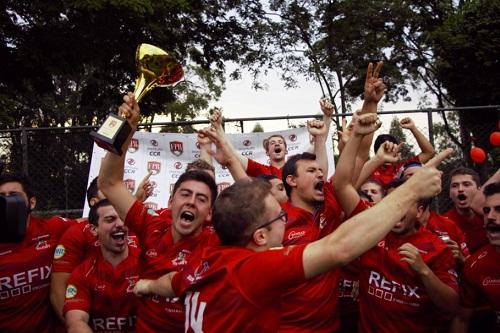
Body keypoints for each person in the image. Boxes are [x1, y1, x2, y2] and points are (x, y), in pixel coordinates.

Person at [132, 146, 451, 333]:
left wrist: (146, 285)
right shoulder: (252, 269)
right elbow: (339, 248)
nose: (286, 218)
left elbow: (171, 282)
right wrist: (411, 191)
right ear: (259, 236)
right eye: (278, 217)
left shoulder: (202, 265)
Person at [98, 93, 221, 332]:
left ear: (209, 213)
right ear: (171, 201)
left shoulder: (219, 240)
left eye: (202, 198)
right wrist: (128, 129)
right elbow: (110, 183)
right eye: (185, 194)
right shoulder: (152, 224)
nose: (192, 202)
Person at [333, 115, 459, 333]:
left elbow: (453, 307)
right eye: (392, 202)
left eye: (404, 201)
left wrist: (423, 272)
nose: (396, 208)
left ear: (420, 210)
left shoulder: (437, 248)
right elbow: (342, 185)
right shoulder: (371, 228)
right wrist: (356, 137)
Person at [50, 176, 140, 322]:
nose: (119, 197)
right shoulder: (76, 234)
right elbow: (58, 291)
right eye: (109, 192)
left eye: (122, 192)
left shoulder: (136, 224)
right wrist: (74, 325)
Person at [0, 173, 77, 333]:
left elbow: (93, 222)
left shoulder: (51, 229)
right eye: (2, 197)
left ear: (32, 202)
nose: (7, 201)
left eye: (14, 195)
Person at [63, 199, 140, 333]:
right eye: (110, 220)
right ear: (94, 229)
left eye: (122, 218)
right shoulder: (83, 273)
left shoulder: (147, 263)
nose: (120, 224)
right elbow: (75, 322)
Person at [210, 98, 335, 179]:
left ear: (286, 150)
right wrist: (218, 128)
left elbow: (320, 143)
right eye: (272, 143)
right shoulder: (261, 170)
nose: (277, 144)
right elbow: (233, 155)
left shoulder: (296, 166)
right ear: (267, 152)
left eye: (280, 142)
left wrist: (327, 117)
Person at [450, 181, 500, 333]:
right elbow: (462, 318)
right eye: (486, 210)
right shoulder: (475, 264)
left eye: (499, 209)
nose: (490, 216)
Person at [371, 116, 435, 187]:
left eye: (392, 149)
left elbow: (429, 152)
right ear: (377, 152)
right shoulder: (368, 171)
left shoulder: (403, 168)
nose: (388, 154)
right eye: (385, 150)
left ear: (397, 151)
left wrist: (413, 128)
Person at [443, 167, 489, 254]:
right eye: (454, 186)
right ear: (450, 193)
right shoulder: (443, 223)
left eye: (466, 184)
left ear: (479, 190)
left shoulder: (491, 215)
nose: (460, 189)